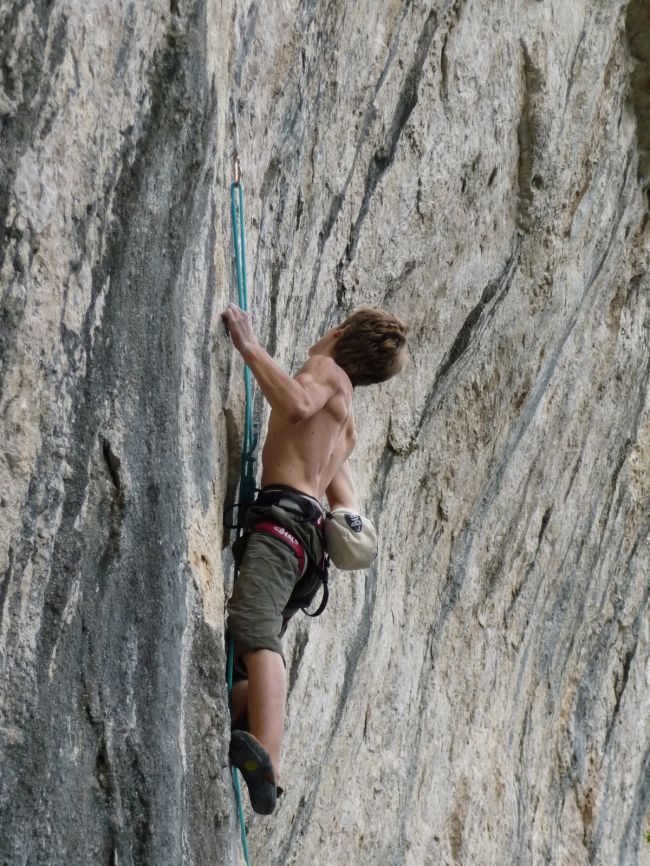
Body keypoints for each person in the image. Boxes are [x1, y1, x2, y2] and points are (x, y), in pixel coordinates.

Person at [221, 303, 408, 814]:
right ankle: (242, 711)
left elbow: (298, 404)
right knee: (239, 660)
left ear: (340, 331)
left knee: (255, 629)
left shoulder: (327, 372)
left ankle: (269, 761)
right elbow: (345, 506)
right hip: (308, 549)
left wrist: (249, 346)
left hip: (282, 529)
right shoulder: (345, 429)